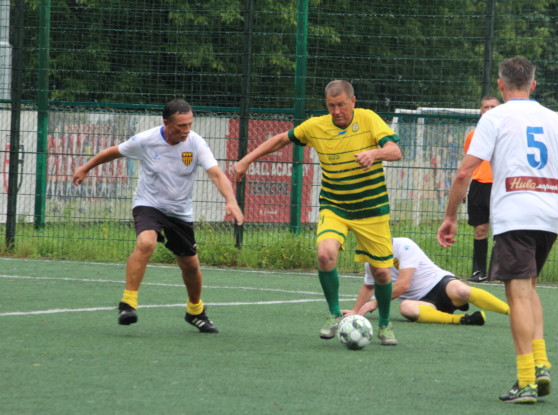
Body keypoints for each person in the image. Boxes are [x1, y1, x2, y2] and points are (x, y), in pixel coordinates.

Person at [437, 57, 558, 404]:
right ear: (533, 85)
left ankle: (526, 379)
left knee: (519, 295)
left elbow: (464, 173)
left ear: (501, 85)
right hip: (549, 217)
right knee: (529, 290)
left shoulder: (494, 117)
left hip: (515, 215)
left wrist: (450, 217)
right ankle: (541, 364)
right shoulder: (555, 121)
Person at [233, 80, 402, 345]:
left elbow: (395, 151)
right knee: (324, 254)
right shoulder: (316, 126)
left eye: (341, 105)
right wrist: (245, 160)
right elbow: (281, 140)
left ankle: (384, 324)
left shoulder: (369, 119)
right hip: (335, 207)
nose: (336, 111)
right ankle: (334, 314)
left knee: (381, 273)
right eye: (331, 106)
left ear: (353, 101)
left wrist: (374, 154)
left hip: (372, 210)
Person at [72, 99, 244, 333]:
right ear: (166, 123)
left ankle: (195, 311)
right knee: (146, 243)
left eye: (189, 124)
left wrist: (230, 200)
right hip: (149, 204)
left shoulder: (195, 143)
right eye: (181, 126)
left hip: (180, 212)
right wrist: (85, 168)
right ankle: (128, 303)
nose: (186, 130)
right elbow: (113, 152)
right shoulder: (146, 140)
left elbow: (215, 174)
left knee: (190, 265)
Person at [342, 237, 510, 325]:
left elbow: (403, 284)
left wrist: (374, 303)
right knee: (406, 308)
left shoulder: (404, 245)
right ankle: (463, 320)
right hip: (423, 303)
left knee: (462, 291)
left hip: (440, 284)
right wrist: (356, 310)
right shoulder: (371, 262)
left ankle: (512, 312)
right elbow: (368, 286)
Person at [463, 95, 500, 283]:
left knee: (502, 231)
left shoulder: (507, 133)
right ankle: (480, 271)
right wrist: (463, 187)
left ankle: (499, 271)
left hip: (500, 185)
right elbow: (467, 164)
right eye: (485, 107)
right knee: (480, 229)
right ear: (480, 110)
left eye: (493, 106)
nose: (489, 110)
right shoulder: (473, 135)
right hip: (479, 186)